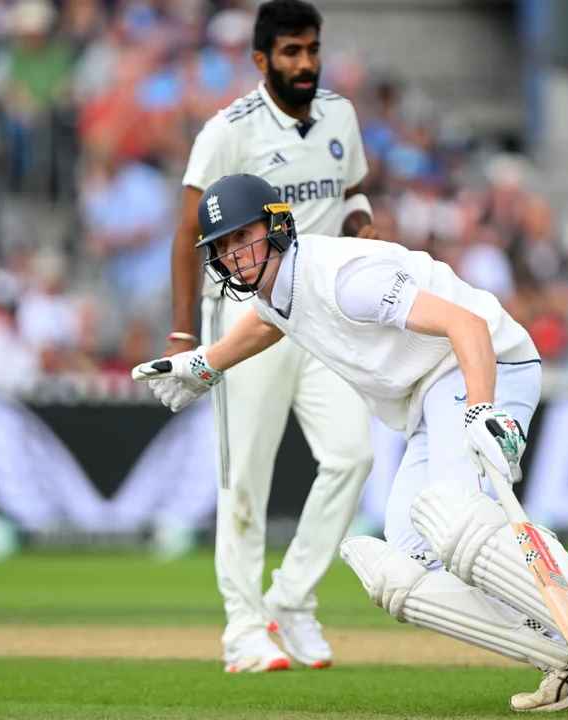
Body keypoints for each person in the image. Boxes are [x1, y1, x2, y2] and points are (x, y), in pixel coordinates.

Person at [135, 174, 568, 711]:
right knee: (410, 563)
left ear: (276, 226)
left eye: (242, 235)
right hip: (427, 396)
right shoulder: (281, 291)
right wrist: (206, 364)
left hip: (483, 366)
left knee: (457, 523)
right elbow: (268, 323)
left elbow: (466, 325)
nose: (234, 254)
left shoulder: (344, 278)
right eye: (222, 246)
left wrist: (483, 409)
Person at [166, 0, 378, 673]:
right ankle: (242, 631)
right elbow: (185, 231)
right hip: (243, 313)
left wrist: (361, 225)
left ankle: (290, 599)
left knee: (352, 456)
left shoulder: (340, 114)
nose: (305, 63)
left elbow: (352, 194)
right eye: (290, 52)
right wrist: (181, 335)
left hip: (319, 312)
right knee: (244, 479)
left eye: (311, 49)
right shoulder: (229, 130)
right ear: (262, 61)